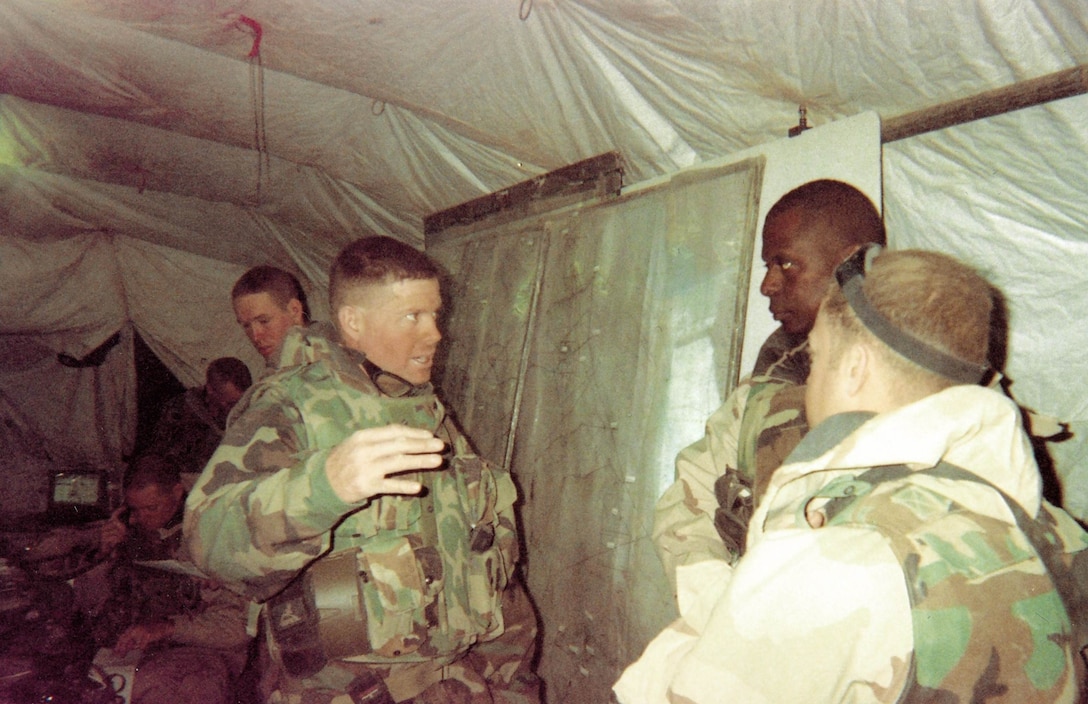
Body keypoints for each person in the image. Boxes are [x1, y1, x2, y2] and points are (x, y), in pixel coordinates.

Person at [615, 247, 1086, 703]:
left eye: (817, 358)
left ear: (855, 367)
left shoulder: (834, 557)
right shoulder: (1055, 533)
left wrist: (732, 603)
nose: (809, 380)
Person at [184, 236, 541, 704]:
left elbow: (487, 565)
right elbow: (208, 540)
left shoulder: (424, 408)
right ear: (353, 322)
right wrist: (323, 487)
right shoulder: (293, 404)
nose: (434, 333)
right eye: (412, 316)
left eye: (435, 315)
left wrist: (514, 689)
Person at [652, 179, 886, 615]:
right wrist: (721, 614)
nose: (768, 285)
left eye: (786, 264)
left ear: (851, 265)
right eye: (767, 265)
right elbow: (683, 508)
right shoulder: (763, 393)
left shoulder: (928, 378)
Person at [78, 454, 252, 704]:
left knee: (172, 689)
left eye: (152, 508)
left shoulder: (216, 537)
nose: (141, 518)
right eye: (134, 509)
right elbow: (90, 605)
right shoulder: (127, 533)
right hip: (131, 651)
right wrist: (103, 556)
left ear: (177, 492)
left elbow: (236, 630)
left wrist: (167, 628)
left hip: (200, 652)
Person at [145, 356, 253, 481]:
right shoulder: (179, 412)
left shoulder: (250, 410)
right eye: (230, 403)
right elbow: (161, 459)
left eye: (242, 401)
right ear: (211, 390)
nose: (238, 407)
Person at [232, 265, 311, 366]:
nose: (256, 336)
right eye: (246, 325)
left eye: (264, 321)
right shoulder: (284, 368)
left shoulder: (322, 365)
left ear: (294, 311)